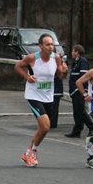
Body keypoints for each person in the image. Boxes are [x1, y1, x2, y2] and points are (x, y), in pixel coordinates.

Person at [15, 33, 68, 167]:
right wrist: (27, 77)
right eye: (48, 45)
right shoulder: (32, 58)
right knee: (45, 126)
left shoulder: (56, 58)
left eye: (52, 45)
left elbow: (60, 76)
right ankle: (33, 152)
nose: (51, 47)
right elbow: (17, 66)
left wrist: (65, 71)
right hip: (33, 95)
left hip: (48, 96)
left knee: (43, 128)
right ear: (40, 46)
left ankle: (27, 154)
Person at [65, 44, 93, 138]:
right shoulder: (76, 62)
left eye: (73, 51)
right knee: (76, 111)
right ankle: (77, 130)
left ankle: (92, 127)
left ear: (77, 52)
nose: (71, 53)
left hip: (79, 90)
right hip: (74, 90)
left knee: (81, 110)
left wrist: (83, 91)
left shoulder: (82, 61)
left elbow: (84, 77)